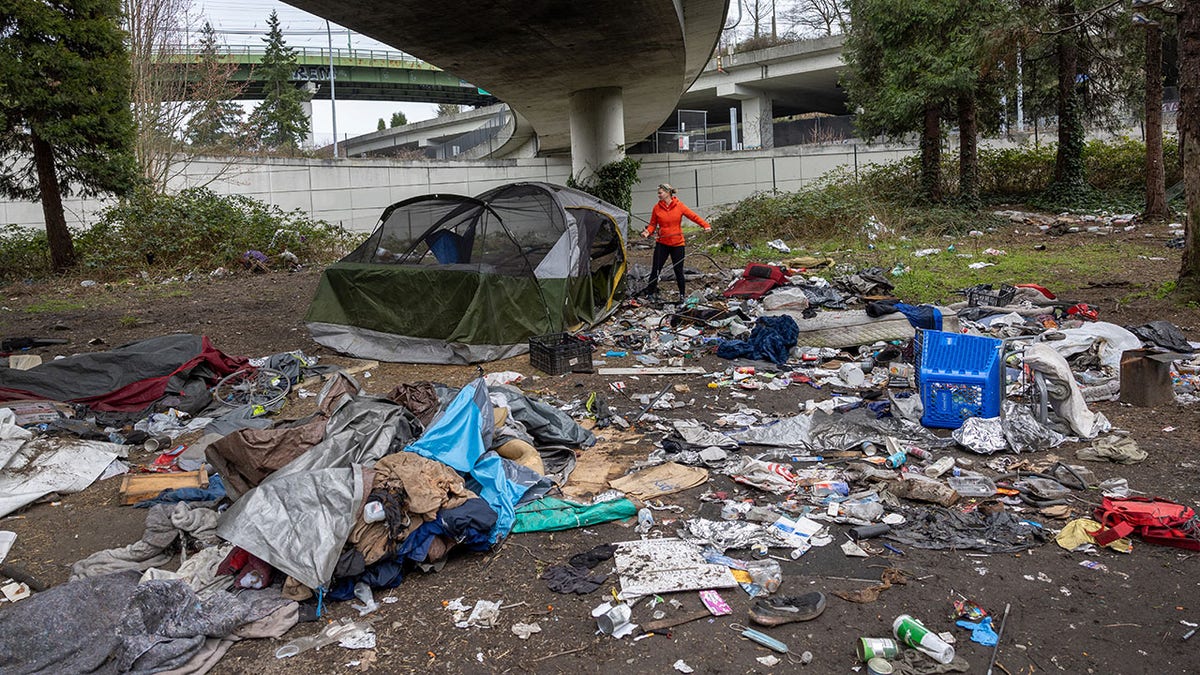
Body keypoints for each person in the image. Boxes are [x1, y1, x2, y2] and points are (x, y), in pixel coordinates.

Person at [640, 183, 711, 301]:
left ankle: (682, 295)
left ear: (668, 193)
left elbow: (693, 216)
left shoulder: (679, 206)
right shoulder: (657, 208)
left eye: (660, 193)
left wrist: (705, 225)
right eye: (658, 193)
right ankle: (650, 293)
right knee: (656, 269)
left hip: (677, 244)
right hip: (662, 243)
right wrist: (648, 232)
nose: (658, 195)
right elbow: (653, 224)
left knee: (678, 270)